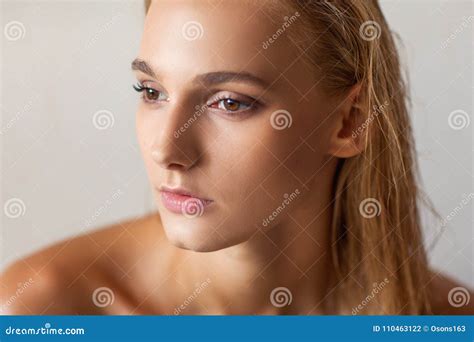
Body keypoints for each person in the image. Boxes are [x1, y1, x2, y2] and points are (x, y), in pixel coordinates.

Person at [1, 0, 473, 315]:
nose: (168, 150)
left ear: (349, 122)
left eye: (230, 102)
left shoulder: (443, 315)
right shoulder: (41, 309)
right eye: (151, 91)